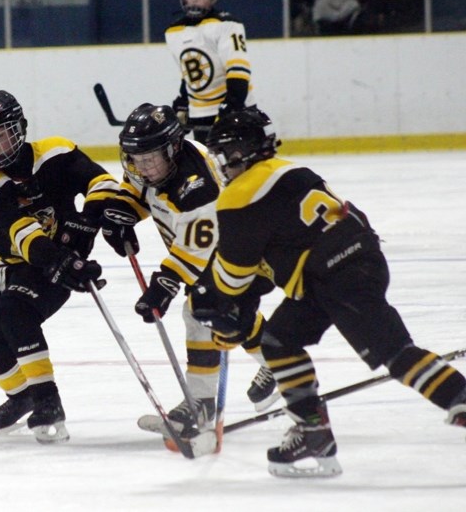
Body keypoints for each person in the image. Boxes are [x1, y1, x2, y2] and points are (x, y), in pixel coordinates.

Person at [194, 105, 466, 477]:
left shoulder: (241, 193)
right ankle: (313, 431)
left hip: (338, 275)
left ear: (240, 151)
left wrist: (218, 302)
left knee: (396, 352)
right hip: (341, 267)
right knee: (278, 340)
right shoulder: (291, 170)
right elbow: (281, 249)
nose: (221, 165)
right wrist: (239, 301)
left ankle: (459, 396)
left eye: (222, 155)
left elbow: (234, 275)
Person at [99, 102, 277, 444]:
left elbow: (197, 247)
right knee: (223, 315)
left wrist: (164, 284)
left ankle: (202, 403)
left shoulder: (198, 187)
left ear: (172, 149)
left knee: (200, 312)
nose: (143, 167)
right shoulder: (151, 162)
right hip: (209, 249)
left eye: (150, 159)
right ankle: (279, 360)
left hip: (235, 250)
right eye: (137, 159)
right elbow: (138, 190)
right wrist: (123, 214)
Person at [0, 90, 118, 444]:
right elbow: (23, 234)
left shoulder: (56, 152)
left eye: (0, 134)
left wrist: (87, 224)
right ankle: (23, 396)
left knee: (16, 310)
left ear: (20, 129)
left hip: (47, 260)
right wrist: (63, 262)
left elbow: (103, 183)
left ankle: (48, 402)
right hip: (9, 261)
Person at [165, 0, 255, 144]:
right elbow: (190, 75)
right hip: (200, 114)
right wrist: (183, 103)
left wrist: (233, 104)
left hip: (237, 108)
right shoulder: (173, 31)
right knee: (209, 167)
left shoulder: (227, 24)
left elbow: (238, 69)